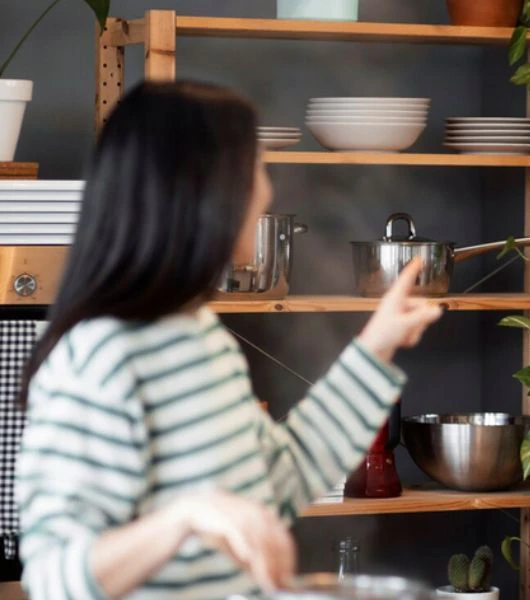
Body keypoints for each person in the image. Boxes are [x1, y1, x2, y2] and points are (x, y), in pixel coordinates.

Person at [14, 81, 443, 599]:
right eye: (255, 170)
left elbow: (277, 484)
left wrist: (376, 345)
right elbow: (54, 579)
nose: (265, 191)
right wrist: (187, 516)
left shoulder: (200, 337)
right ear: (200, 190)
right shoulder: (101, 357)